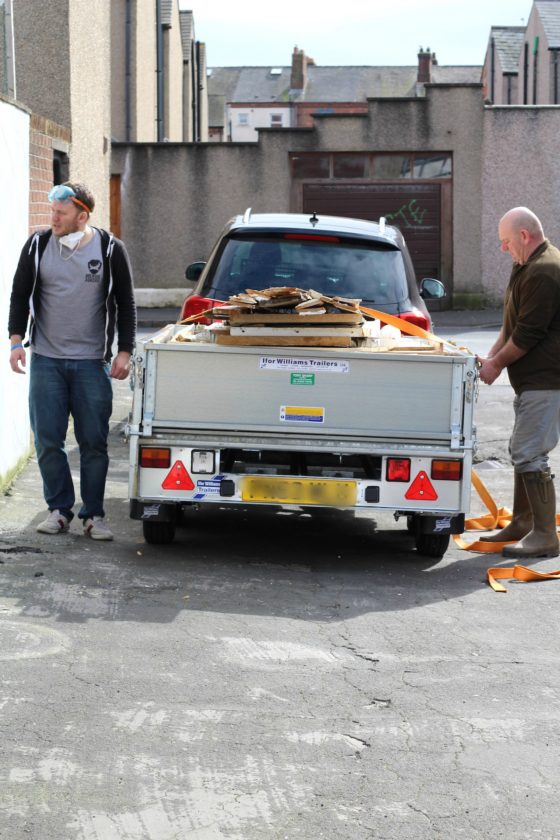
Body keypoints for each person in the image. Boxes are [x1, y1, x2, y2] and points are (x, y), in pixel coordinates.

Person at [8, 182, 136, 540]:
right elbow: (19, 294)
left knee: (93, 442)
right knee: (49, 439)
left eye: (61, 214)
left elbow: (126, 303)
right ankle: (59, 509)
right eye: (52, 212)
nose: (54, 219)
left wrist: (125, 350)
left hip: (91, 363)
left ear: (82, 215)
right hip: (47, 360)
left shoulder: (110, 249)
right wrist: (16, 341)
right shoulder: (38, 246)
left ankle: (93, 514)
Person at [478, 206, 560, 559]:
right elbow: (511, 325)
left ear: (524, 236)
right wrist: (492, 357)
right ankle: (523, 523)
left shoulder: (545, 271)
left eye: (506, 241)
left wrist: (496, 364)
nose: (503, 248)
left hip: (546, 379)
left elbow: (528, 333)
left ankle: (545, 535)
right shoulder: (525, 265)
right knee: (520, 450)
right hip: (531, 381)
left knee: (530, 453)